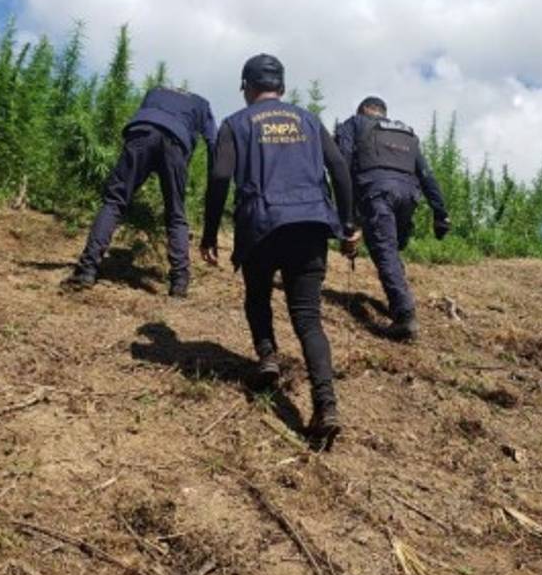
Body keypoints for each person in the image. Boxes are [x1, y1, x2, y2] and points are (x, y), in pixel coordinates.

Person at [201, 54, 358, 447]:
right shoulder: (307, 119)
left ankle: (268, 357)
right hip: (311, 224)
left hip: (261, 224)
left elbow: (221, 175)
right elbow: (339, 166)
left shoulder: (236, 123)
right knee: (308, 318)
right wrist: (348, 223)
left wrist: (208, 233)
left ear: (246, 87)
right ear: (282, 88)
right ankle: (326, 403)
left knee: (257, 295)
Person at [66, 85, 216, 297]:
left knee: (114, 202)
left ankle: (86, 271)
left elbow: (145, 124)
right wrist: (215, 181)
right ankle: (179, 284)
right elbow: (214, 144)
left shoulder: (156, 90)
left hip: (141, 133)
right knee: (176, 215)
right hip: (175, 143)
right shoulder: (202, 103)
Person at [335, 96, 449, 341]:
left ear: (364, 110)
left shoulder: (354, 123)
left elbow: (341, 163)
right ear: (383, 113)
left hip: (377, 191)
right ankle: (399, 298)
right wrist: (440, 214)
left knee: (384, 249)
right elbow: (426, 174)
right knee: (393, 248)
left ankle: (405, 315)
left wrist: (346, 217)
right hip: (409, 195)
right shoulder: (407, 134)